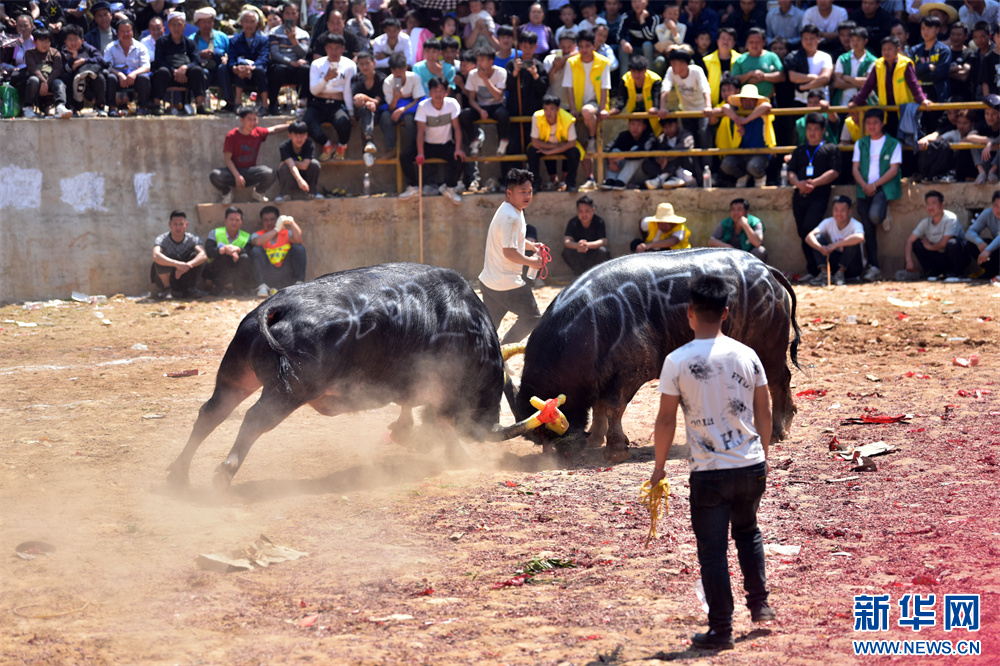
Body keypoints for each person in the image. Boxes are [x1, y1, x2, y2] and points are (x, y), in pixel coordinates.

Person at [648, 272, 774, 652]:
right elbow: (764, 408)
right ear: (726, 313)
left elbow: (666, 419)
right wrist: (762, 454)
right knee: (748, 532)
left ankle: (721, 629)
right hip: (750, 464)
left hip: (709, 473)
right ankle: (760, 604)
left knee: (713, 551)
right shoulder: (746, 354)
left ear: (689, 313)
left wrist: (658, 468)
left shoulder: (677, 361)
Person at [478, 168, 545, 345]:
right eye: (522, 192)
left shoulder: (511, 209)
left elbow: (513, 241)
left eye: (529, 192)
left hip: (489, 281)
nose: (527, 196)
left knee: (488, 328)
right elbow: (509, 252)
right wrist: (532, 261)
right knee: (532, 317)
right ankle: (503, 350)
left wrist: (531, 246)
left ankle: (484, 356)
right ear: (509, 193)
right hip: (505, 284)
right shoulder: (511, 217)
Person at [787, 112, 841, 283]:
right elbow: (791, 172)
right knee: (802, 232)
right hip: (800, 195)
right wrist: (799, 184)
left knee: (812, 228)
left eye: (816, 129)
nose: (812, 133)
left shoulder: (830, 148)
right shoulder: (800, 150)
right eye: (809, 129)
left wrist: (814, 184)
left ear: (823, 130)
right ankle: (813, 269)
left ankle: (824, 268)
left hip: (819, 195)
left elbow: (834, 172)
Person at [851, 108, 901, 281]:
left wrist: (874, 185)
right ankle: (874, 266)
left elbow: (894, 170)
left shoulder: (893, 143)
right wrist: (865, 185)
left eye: (875, 123)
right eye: (868, 123)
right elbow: (855, 168)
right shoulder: (861, 143)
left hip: (883, 188)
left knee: (874, 216)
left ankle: (883, 214)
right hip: (864, 189)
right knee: (868, 231)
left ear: (882, 123)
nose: (871, 126)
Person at [401, 75, 465, 204]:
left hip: (445, 144)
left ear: (446, 92)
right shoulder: (423, 106)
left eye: (441, 90)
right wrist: (420, 152)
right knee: (405, 156)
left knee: (459, 158)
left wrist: (458, 149)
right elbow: (420, 131)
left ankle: (450, 188)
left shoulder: (452, 104)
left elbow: (457, 128)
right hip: (427, 144)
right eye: (435, 90)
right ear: (430, 92)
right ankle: (413, 187)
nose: (438, 94)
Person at [850, 35, 927, 137]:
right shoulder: (878, 64)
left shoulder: (905, 64)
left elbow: (914, 84)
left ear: (898, 50)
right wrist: (857, 101)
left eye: (889, 49)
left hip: (905, 111)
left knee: (908, 144)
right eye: (884, 49)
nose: (886, 52)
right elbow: (868, 85)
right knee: (890, 139)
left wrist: (922, 100)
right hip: (886, 111)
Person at [209, 106, 288, 204]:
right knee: (214, 175)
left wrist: (290, 125)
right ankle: (227, 193)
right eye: (249, 120)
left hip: (250, 173)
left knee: (270, 173)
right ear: (242, 120)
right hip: (233, 174)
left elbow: (274, 130)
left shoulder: (258, 132)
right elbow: (227, 159)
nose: (252, 123)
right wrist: (237, 176)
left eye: (255, 119)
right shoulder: (232, 135)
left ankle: (259, 192)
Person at [563, 28, 611, 187]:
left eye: (587, 46)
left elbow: (604, 89)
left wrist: (603, 108)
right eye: (581, 46)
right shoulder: (571, 62)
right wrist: (573, 109)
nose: (584, 50)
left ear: (594, 46)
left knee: (591, 139)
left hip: (594, 106)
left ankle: (592, 137)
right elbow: (569, 88)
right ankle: (590, 179)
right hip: (577, 108)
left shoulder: (603, 62)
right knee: (581, 146)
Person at [307, 32, 356, 161]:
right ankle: (327, 144)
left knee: (343, 122)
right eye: (330, 48)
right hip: (318, 102)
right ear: (325, 48)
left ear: (343, 49)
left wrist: (351, 112)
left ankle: (342, 145)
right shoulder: (317, 64)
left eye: (337, 48)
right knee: (307, 123)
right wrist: (326, 78)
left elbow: (348, 90)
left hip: (337, 103)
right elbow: (313, 90)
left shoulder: (350, 65)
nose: (334, 52)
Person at [898, 190, 968, 280]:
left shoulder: (951, 218)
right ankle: (933, 271)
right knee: (916, 243)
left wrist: (930, 247)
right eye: (928, 204)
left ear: (942, 205)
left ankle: (957, 272)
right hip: (939, 257)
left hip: (956, 257)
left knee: (953, 243)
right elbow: (909, 241)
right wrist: (909, 261)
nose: (930, 207)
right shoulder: (925, 222)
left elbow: (944, 243)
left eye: (934, 203)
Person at [151, 11, 209, 115]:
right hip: (168, 75)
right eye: (173, 25)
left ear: (184, 26)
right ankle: (156, 105)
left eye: (179, 25)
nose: (176, 28)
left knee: (197, 71)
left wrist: (185, 68)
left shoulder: (190, 43)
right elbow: (159, 61)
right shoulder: (161, 42)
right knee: (161, 71)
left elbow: (196, 61)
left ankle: (200, 105)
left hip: (186, 77)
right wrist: (174, 71)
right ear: (168, 26)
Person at [717, 83, 774, 187]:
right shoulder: (738, 113)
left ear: (756, 101)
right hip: (741, 154)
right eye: (744, 99)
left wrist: (746, 120)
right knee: (726, 165)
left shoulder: (762, 113)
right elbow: (725, 106)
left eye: (751, 99)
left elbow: (767, 105)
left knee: (753, 166)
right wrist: (738, 121)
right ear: (741, 101)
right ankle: (742, 176)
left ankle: (760, 177)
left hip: (759, 154)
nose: (747, 102)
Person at [804, 195, 866, 286]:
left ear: (849, 211)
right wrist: (821, 248)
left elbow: (860, 237)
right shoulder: (828, 222)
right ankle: (825, 274)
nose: (839, 214)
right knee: (817, 238)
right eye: (836, 210)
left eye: (842, 210)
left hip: (853, 267)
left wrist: (836, 244)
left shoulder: (856, 224)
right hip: (834, 265)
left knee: (853, 240)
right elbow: (809, 237)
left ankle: (841, 273)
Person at [527, 93, 583, 191]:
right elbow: (535, 142)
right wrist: (554, 147)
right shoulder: (537, 116)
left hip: (562, 146)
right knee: (532, 151)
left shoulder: (568, 119)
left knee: (574, 152)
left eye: (552, 108)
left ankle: (571, 184)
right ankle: (535, 184)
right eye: (545, 108)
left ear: (558, 109)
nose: (548, 112)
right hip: (548, 146)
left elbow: (571, 143)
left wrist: (550, 151)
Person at [250, 205, 307, 297]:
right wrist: (276, 230)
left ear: (277, 220)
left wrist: (292, 222)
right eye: (266, 220)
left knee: (298, 248)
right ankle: (262, 286)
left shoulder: (285, 234)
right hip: (268, 274)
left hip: (286, 273)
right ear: (262, 222)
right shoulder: (257, 235)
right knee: (256, 250)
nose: (269, 223)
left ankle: (299, 284)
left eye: (272, 219)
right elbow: (257, 242)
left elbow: (299, 239)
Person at [150, 210, 207, 299]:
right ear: (170, 225)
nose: (178, 228)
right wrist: (176, 264)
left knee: (195, 255)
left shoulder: (192, 238)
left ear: (186, 225)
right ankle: (167, 290)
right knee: (161, 258)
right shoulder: (162, 239)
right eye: (175, 224)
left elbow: (203, 255)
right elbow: (155, 255)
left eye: (181, 224)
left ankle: (190, 289)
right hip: (169, 277)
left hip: (185, 275)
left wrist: (188, 265)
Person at [266, 1, 310, 116]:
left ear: (297, 14)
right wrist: (291, 62)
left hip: (296, 67)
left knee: (307, 69)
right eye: (287, 13)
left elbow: (303, 53)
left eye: (293, 13)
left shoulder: (303, 34)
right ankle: (273, 104)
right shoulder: (274, 32)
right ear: (283, 15)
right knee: (277, 71)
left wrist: (293, 40)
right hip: (281, 66)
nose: (290, 16)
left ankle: (303, 103)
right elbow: (275, 53)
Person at [103, 19, 151, 116]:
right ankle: (112, 108)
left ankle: (142, 107)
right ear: (117, 33)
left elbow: (146, 67)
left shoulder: (140, 47)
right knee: (110, 78)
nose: (126, 34)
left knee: (144, 78)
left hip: (134, 77)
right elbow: (107, 66)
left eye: (128, 31)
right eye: (122, 31)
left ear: (132, 32)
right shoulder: (110, 47)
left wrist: (134, 74)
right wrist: (119, 74)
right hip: (118, 77)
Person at [203, 205, 254, 295]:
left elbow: (249, 251)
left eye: (237, 220)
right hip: (216, 268)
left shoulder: (246, 236)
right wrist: (224, 250)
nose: (234, 222)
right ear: (225, 220)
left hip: (236, 267)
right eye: (231, 219)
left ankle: (239, 288)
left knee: (245, 258)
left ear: (241, 222)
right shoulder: (215, 233)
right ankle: (218, 288)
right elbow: (209, 251)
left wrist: (237, 249)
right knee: (223, 257)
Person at [228, 8, 270, 116]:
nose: (249, 25)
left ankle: (265, 105)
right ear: (241, 22)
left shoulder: (263, 40)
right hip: (242, 71)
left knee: (260, 70)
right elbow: (231, 58)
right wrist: (235, 68)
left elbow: (263, 57)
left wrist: (252, 67)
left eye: (252, 22)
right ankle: (237, 103)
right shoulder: (234, 40)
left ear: (257, 23)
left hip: (256, 70)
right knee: (239, 69)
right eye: (246, 21)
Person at [22, 27, 72, 118]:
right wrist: (43, 81)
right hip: (36, 82)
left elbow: (57, 70)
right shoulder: (29, 53)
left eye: (47, 41)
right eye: (41, 41)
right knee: (33, 80)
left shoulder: (55, 53)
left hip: (51, 80)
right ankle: (28, 108)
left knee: (59, 83)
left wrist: (46, 83)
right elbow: (33, 69)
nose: (45, 44)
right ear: (35, 42)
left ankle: (60, 106)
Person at [59, 23, 107, 115]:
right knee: (65, 77)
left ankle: (100, 107)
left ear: (82, 40)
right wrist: (73, 58)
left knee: (99, 77)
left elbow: (101, 61)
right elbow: (65, 70)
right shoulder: (63, 53)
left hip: (89, 80)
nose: (73, 43)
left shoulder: (88, 48)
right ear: (65, 41)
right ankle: (72, 108)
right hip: (73, 81)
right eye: (70, 40)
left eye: (76, 39)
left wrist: (84, 60)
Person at [610, 54, 661, 136]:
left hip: (652, 119)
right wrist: (617, 108)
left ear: (646, 70)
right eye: (634, 72)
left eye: (640, 72)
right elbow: (622, 97)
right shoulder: (625, 80)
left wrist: (655, 107)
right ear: (630, 70)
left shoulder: (655, 80)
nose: (637, 75)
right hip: (634, 118)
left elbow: (656, 97)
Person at [192, 7, 231, 112]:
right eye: (203, 23)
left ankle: (230, 102)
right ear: (197, 24)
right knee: (202, 73)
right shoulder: (191, 39)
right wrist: (200, 54)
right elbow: (188, 57)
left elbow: (231, 53)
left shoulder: (222, 37)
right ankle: (202, 104)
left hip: (220, 71)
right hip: (203, 71)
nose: (207, 25)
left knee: (224, 69)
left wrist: (225, 58)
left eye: (209, 22)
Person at [561, 194, 610, 276]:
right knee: (566, 252)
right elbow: (566, 241)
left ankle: (597, 275)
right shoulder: (573, 222)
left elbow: (603, 241)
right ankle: (579, 274)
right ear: (577, 211)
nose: (584, 214)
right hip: (579, 255)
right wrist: (578, 245)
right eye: (580, 211)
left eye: (587, 211)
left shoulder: (599, 221)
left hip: (594, 253)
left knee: (603, 251)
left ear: (593, 210)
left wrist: (587, 245)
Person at [643, 115, 697, 189]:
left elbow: (684, 146)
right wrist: (659, 159)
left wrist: (666, 157)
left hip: (686, 167)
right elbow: (656, 153)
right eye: (665, 127)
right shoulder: (661, 139)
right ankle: (671, 178)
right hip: (669, 169)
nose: (668, 129)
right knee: (647, 164)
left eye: (670, 126)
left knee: (677, 154)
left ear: (677, 124)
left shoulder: (686, 135)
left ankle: (662, 178)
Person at [601, 116, 656, 189]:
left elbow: (643, 151)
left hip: (642, 175)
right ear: (628, 124)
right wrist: (610, 160)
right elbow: (607, 149)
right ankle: (610, 180)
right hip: (624, 173)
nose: (635, 128)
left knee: (635, 151)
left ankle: (621, 182)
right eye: (633, 124)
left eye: (639, 125)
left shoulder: (649, 137)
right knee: (615, 151)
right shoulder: (623, 136)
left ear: (644, 126)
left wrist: (624, 156)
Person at [785, 25, 833, 107]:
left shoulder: (825, 57)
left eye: (811, 38)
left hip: (821, 102)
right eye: (805, 39)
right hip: (800, 100)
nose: (808, 42)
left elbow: (825, 78)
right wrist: (814, 77)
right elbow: (793, 77)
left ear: (818, 39)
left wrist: (803, 87)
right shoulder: (794, 56)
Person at [275, 119, 322, 201]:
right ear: (290, 135)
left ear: (306, 135)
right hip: (292, 179)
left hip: (306, 179)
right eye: (296, 136)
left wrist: (288, 162)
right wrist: (299, 180)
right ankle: (284, 194)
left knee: (315, 164)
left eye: (302, 136)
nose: (299, 139)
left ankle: (312, 193)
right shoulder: (284, 146)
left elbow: (304, 166)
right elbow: (291, 166)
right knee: (285, 167)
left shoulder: (309, 144)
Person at [731, 28, 784, 100]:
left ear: (764, 42)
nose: (754, 45)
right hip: (746, 103)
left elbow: (782, 76)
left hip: (769, 101)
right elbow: (734, 81)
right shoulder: (740, 60)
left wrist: (763, 77)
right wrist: (750, 74)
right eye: (751, 42)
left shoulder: (772, 56)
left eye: (757, 42)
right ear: (746, 43)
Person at [708, 197, 767, 262]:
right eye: (733, 209)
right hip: (730, 255)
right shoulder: (725, 223)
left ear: (746, 212)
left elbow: (757, 243)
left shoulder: (755, 222)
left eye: (739, 209)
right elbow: (711, 241)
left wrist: (745, 225)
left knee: (760, 251)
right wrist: (728, 247)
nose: (736, 213)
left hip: (749, 257)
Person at [351, 50, 386, 159]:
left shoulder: (382, 79)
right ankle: (368, 141)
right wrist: (361, 101)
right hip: (361, 112)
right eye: (361, 64)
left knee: (368, 110)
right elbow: (355, 103)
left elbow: (378, 101)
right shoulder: (356, 79)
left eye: (367, 63)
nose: (365, 67)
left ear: (374, 63)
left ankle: (367, 146)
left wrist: (365, 98)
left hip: (378, 113)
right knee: (366, 110)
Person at [912, 14, 951, 105]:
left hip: (938, 95)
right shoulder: (914, 50)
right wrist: (928, 67)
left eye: (929, 28)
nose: (925, 31)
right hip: (918, 96)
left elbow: (940, 73)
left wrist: (919, 71)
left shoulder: (944, 50)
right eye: (923, 28)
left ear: (937, 30)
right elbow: (911, 71)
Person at [832, 26, 876, 106]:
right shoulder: (842, 58)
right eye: (852, 40)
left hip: (865, 104)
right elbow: (837, 83)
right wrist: (860, 84)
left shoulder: (873, 61)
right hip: (843, 104)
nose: (855, 43)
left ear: (865, 41)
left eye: (858, 40)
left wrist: (848, 78)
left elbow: (870, 82)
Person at [615, 0, 658, 77]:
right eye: (634, 1)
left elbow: (650, 37)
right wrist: (624, 42)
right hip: (632, 49)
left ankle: (650, 80)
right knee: (622, 47)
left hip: (650, 52)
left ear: (647, 2)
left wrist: (642, 20)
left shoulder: (654, 17)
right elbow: (619, 35)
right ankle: (624, 82)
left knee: (647, 45)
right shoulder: (626, 16)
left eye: (639, 1)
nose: (637, 4)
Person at [965, 189, 1000, 278]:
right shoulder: (987, 214)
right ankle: (991, 272)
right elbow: (969, 232)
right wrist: (979, 243)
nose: (999, 210)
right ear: (992, 205)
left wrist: (988, 250)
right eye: (996, 206)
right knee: (971, 245)